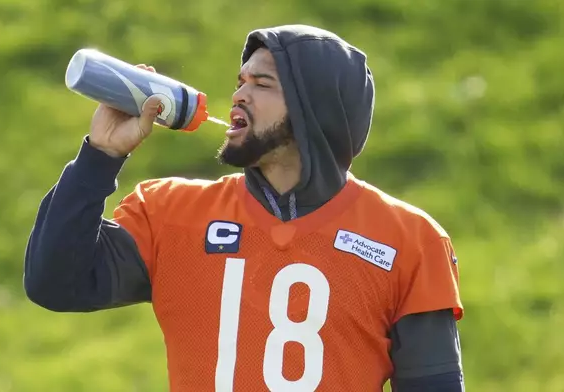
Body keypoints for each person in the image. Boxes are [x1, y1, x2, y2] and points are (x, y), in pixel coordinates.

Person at [24, 24, 465, 391]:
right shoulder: (169, 213)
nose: (238, 95)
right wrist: (100, 155)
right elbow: (55, 283)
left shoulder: (411, 241)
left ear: (316, 109)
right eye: (240, 82)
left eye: (262, 83)